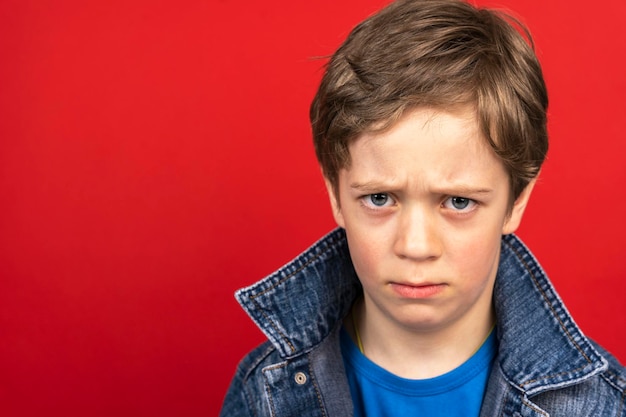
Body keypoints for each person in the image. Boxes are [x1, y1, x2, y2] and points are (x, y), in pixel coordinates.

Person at [219, 0, 626, 415]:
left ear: (516, 201)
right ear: (335, 195)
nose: (415, 246)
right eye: (380, 199)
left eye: (459, 201)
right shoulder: (265, 394)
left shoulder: (602, 404)